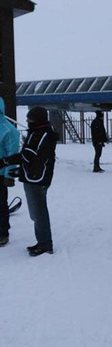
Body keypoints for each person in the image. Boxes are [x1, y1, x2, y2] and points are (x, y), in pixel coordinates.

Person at [0, 107, 58, 256]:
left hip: (37, 180)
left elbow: (31, 156)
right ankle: (42, 242)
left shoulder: (42, 134)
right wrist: (21, 170)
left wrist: (6, 161)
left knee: (39, 213)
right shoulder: (38, 132)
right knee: (36, 213)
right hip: (33, 176)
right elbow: (32, 158)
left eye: (30, 118)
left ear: (37, 119)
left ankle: (45, 244)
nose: (27, 121)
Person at [0, 97, 20, 247]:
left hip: (1, 175)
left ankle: (3, 233)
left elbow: (12, 155)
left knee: (0, 205)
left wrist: (9, 176)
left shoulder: (9, 130)